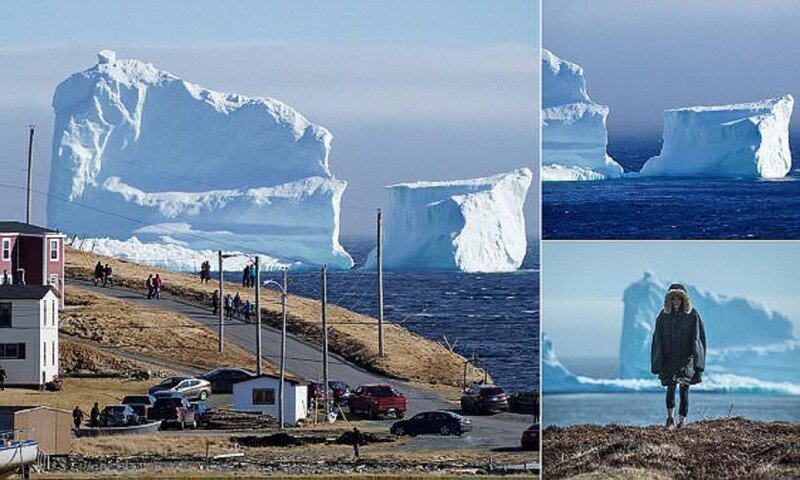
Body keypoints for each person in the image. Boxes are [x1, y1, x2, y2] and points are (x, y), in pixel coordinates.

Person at [651, 284, 707, 431]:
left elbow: (698, 339)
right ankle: (670, 419)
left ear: (684, 299)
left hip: (685, 360)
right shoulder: (663, 316)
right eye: (673, 298)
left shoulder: (692, 315)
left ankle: (682, 421)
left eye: (678, 298)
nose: (676, 301)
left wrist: (698, 364)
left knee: (684, 390)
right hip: (669, 359)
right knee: (670, 388)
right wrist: (657, 360)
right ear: (669, 299)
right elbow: (657, 339)